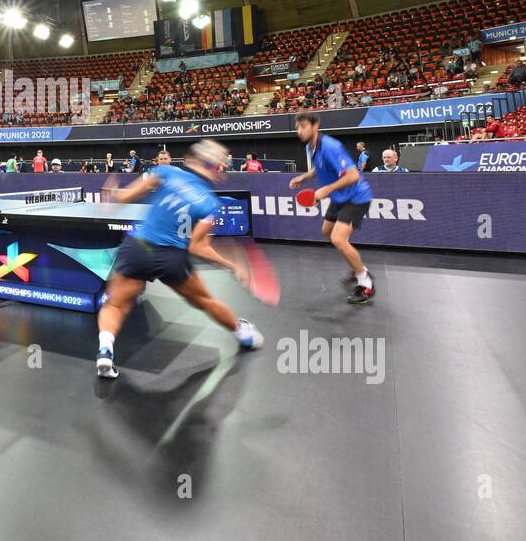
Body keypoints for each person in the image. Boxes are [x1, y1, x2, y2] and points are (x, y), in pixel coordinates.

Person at [94, 140, 264, 378]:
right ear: (214, 170)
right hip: (172, 259)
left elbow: (121, 199)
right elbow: (198, 248)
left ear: (191, 161)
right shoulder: (210, 203)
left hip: (139, 248)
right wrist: (232, 265)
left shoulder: (165, 171)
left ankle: (105, 350)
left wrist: (112, 194)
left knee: (114, 305)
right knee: (206, 301)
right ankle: (243, 333)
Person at [290, 113, 375, 305]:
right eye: (297, 127)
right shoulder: (310, 147)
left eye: (303, 126)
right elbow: (320, 168)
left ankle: (365, 281)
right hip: (339, 198)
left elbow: (353, 175)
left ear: (315, 125)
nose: (299, 131)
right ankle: (358, 267)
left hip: (356, 197)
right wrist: (303, 177)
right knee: (327, 232)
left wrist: (326, 189)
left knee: (338, 238)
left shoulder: (331, 146)